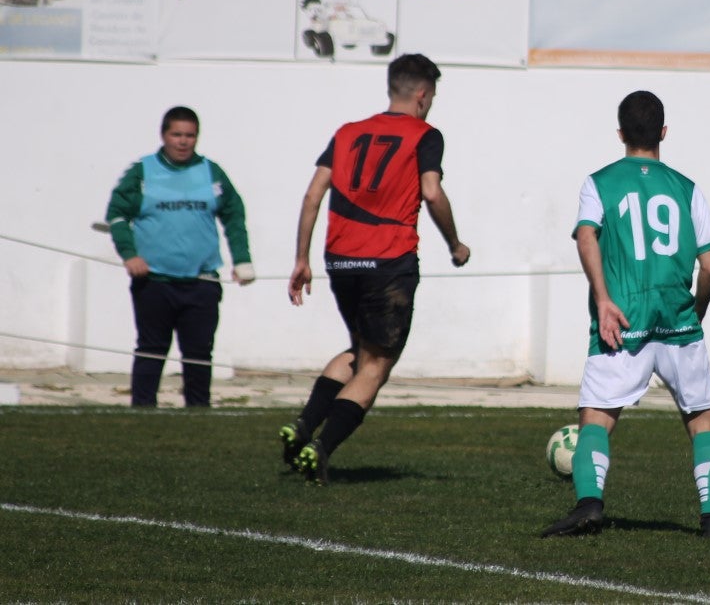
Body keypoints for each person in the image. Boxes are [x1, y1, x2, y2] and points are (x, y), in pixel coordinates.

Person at [541, 91, 710, 539]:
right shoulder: (687, 188)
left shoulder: (599, 182)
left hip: (622, 318)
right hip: (678, 319)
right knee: (702, 418)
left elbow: (586, 235)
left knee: (598, 417)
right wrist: (695, 312)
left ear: (621, 133)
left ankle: (589, 505)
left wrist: (603, 298)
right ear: (663, 133)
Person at [284, 53, 470, 485]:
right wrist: (455, 244)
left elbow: (313, 195)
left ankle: (302, 426)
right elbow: (432, 193)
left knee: (359, 350)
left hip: (341, 258)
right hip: (388, 260)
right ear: (423, 96)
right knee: (376, 364)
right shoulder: (424, 135)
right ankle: (321, 447)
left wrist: (301, 259)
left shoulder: (347, 133)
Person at [106, 106, 255, 407]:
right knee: (151, 348)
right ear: (164, 135)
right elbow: (117, 216)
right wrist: (129, 255)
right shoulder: (142, 172)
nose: (183, 141)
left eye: (190, 135)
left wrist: (242, 260)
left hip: (202, 281)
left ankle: (198, 413)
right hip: (153, 280)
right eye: (177, 134)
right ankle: (142, 410)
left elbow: (234, 215)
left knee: (199, 353)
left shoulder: (211, 172)